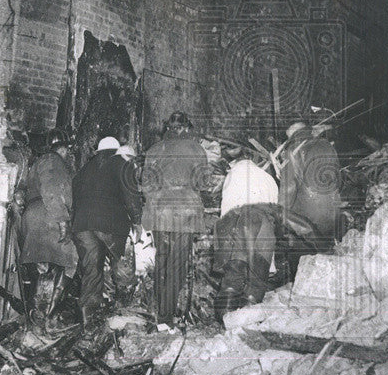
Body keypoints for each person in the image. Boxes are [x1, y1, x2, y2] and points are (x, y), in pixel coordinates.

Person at [141, 112, 208, 326]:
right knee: (177, 264)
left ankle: (159, 309)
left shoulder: (153, 150)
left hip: (159, 211)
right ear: (186, 128)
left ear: (168, 128)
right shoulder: (196, 149)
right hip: (184, 212)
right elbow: (203, 183)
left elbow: (147, 185)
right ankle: (166, 317)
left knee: (161, 259)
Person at [71, 136, 142, 325]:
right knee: (121, 262)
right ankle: (123, 309)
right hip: (111, 223)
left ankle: (89, 315)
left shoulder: (84, 169)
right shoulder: (121, 163)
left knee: (91, 269)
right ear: (116, 150)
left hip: (82, 225)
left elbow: (75, 197)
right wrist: (137, 221)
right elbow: (131, 194)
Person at [14, 128, 78, 319]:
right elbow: (51, 189)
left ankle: (37, 314)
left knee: (41, 265)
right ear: (62, 149)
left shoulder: (38, 163)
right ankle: (46, 314)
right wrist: (63, 220)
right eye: (66, 149)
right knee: (70, 260)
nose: (67, 153)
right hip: (48, 216)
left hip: (36, 216)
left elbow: (22, 191)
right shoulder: (53, 161)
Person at [213, 149, 281, 317]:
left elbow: (227, 211)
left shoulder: (234, 175)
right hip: (265, 231)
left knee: (233, 279)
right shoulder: (269, 178)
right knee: (256, 283)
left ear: (232, 164)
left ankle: (225, 323)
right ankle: (246, 323)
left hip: (243, 228)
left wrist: (222, 246)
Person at [278, 120, 342, 275]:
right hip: (331, 213)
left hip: (306, 218)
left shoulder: (292, 151)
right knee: (326, 258)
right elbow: (338, 180)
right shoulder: (326, 145)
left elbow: (288, 190)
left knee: (302, 265)